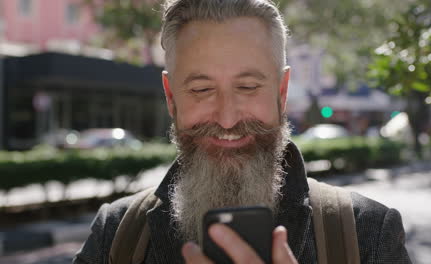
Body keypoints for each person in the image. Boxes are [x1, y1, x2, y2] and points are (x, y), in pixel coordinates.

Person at [74, 0, 412, 263]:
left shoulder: (366, 232)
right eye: (202, 90)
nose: (226, 119)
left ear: (281, 93)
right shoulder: (117, 234)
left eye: (248, 87)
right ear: (171, 97)